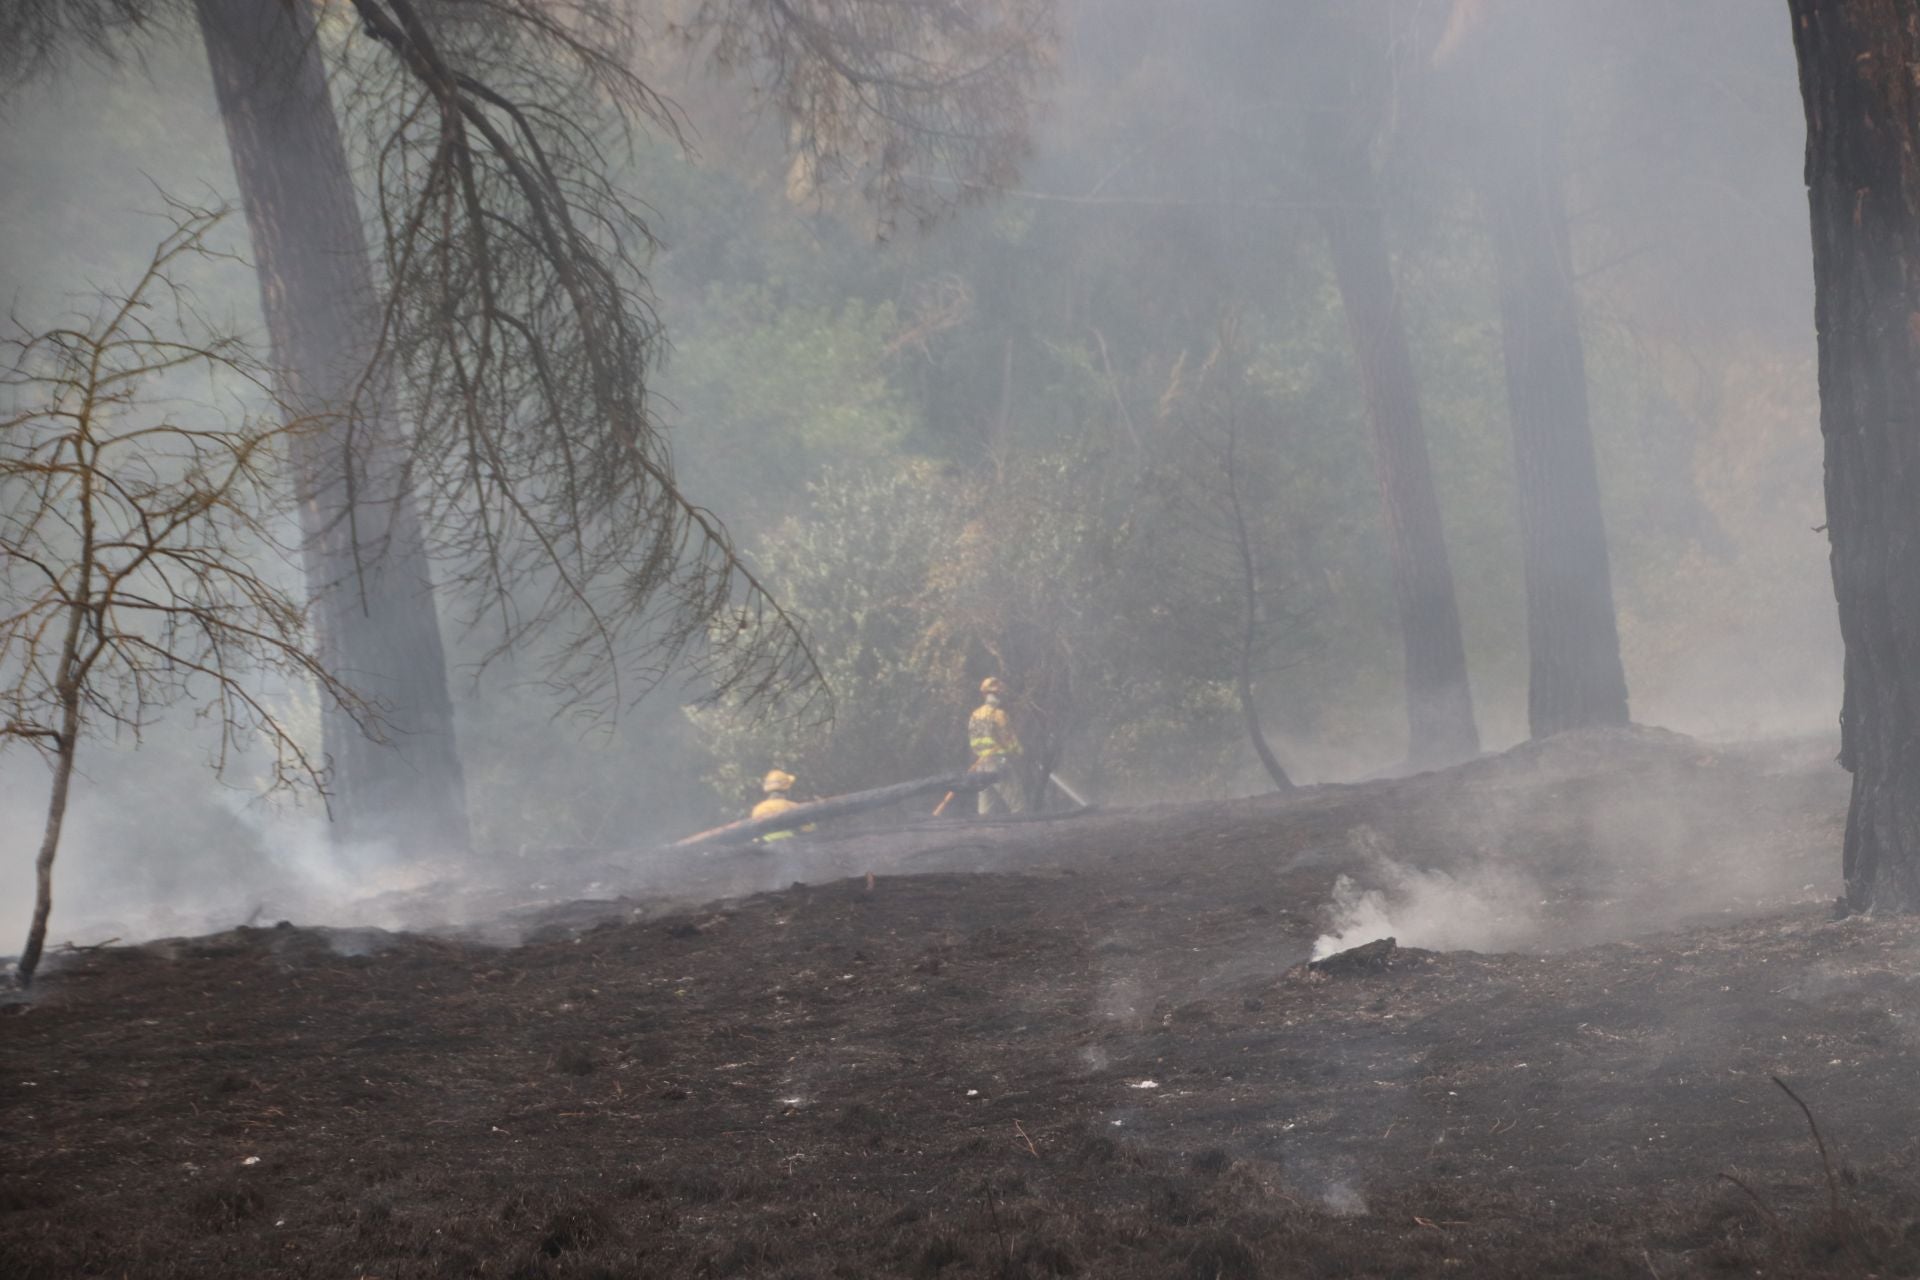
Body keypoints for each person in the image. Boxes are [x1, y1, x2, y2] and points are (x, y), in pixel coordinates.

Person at [968, 677, 1025, 815]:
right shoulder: (999, 715)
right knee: (1017, 804)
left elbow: (973, 740)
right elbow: (1009, 740)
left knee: (985, 809)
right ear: (998, 694)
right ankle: (1023, 827)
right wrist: (1020, 752)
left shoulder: (975, 715)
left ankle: (983, 828)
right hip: (997, 762)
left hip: (980, 764)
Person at [750, 769, 811, 842]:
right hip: (793, 846)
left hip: (767, 847)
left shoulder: (758, 809)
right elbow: (808, 830)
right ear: (787, 789)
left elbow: (756, 837)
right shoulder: (794, 807)